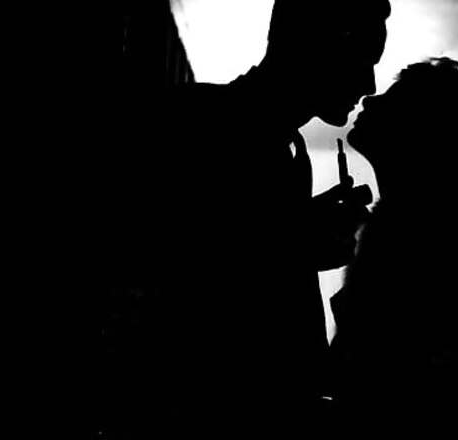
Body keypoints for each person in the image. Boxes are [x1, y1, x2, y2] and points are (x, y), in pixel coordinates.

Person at [165, 1, 391, 438]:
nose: (369, 84)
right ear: (314, 48)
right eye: (362, 59)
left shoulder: (292, 150)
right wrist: (294, 245)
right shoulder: (189, 122)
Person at [330, 57, 458, 439]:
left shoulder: (434, 229)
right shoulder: (423, 218)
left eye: (392, 101)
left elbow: (392, 377)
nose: (370, 100)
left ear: (421, 136)